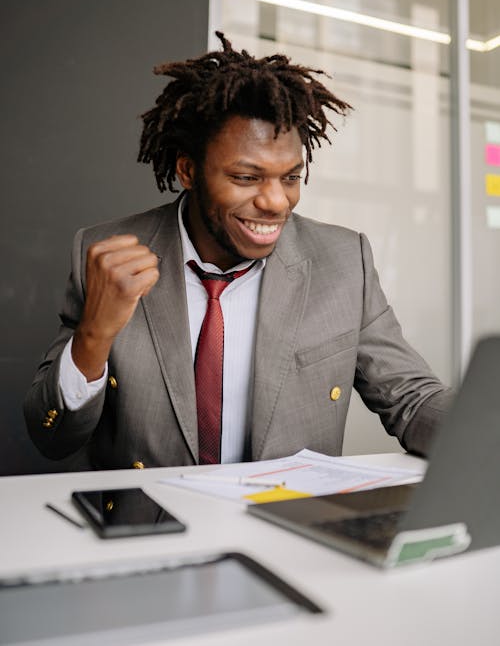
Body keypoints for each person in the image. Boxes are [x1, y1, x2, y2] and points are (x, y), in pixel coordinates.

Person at [24, 33, 453, 470]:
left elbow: (413, 400)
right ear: (188, 171)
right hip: (150, 531)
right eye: (247, 178)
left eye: (290, 177)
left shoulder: (343, 262)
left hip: (288, 524)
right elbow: (51, 437)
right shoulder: (103, 255)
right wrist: (94, 336)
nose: (276, 201)